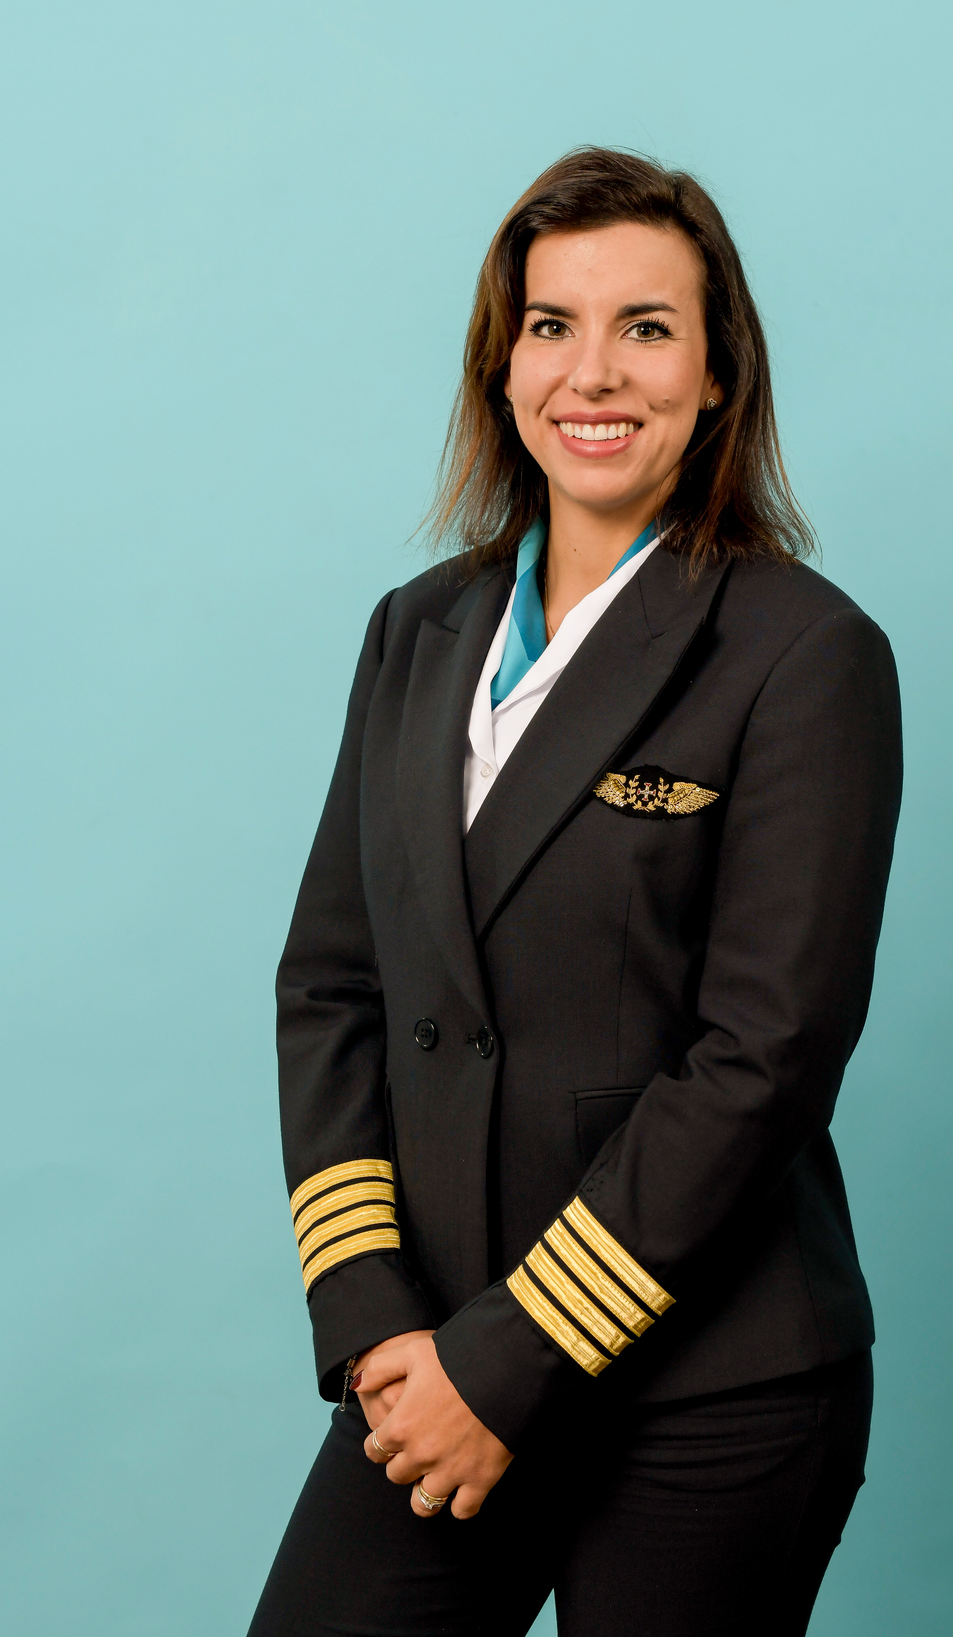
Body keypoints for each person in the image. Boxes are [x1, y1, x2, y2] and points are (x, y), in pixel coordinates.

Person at [248, 146, 902, 1637]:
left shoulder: (805, 656)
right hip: (429, 1359)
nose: (592, 373)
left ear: (718, 374)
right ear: (504, 364)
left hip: (709, 1393)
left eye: (646, 328)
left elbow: (765, 1059)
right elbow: (331, 988)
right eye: (552, 325)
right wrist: (373, 1324)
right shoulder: (415, 634)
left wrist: (509, 1364)